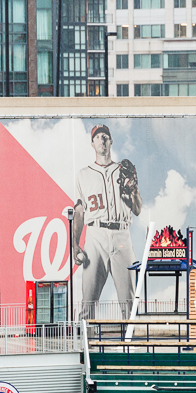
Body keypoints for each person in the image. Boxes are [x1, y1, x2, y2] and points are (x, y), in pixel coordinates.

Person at [72, 124, 142, 320]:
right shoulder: (83, 175)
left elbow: (137, 209)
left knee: (129, 301)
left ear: (111, 141)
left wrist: (134, 190)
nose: (102, 139)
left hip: (122, 235)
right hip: (95, 236)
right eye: (98, 137)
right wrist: (75, 244)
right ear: (92, 143)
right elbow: (79, 212)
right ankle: (84, 348)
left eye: (105, 136)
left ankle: (131, 348)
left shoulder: (124, 171)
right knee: (88, 300)